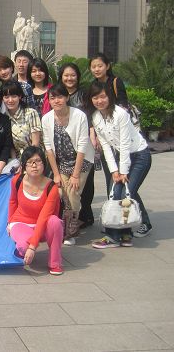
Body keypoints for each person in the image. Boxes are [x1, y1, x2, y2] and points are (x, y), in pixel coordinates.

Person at [88, 82, 153, 246]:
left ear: (110, 96)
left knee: (125, 193)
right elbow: (105, 146)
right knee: (115, 192)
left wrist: (123, 171)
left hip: (140, 156)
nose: (99, 101)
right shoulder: (95, 117)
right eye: (95, 97)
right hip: (121, 158)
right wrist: (114, 171)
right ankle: (124, 234)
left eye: (102, 96)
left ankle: (113, 236)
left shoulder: (120, 114)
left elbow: (124, 145)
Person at [42, 84, 95, 246]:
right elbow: (48, 148)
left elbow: (83, 145)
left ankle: (71, 231)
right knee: (61, 192)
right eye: (53, 98)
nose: (56, 101)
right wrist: (56, 174)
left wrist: (76, 175)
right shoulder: (47, 118)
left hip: (82, 160)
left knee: (72, 192)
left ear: (66, 97)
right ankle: (63, 225)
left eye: (60, 97)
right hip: (63, 162)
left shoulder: (79, 115)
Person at [8, 146, 63, 276]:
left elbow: (44, 216)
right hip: (21, 222)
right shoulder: (17, 180)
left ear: (44, 164)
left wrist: (33, 247)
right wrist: (9, 223)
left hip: (43, 224)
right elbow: (12, 202)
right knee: (23, 247)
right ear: (24, 165)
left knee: (55, 222)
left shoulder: (52, 187)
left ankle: (55, 263)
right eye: (30, 162)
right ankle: (22, 250)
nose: (34, 165)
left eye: (38, 161)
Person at [89, 53, 131, 196]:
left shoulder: (115, 82)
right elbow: (93, 112)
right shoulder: (93, 85)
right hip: (104, 136)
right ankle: (112, 204)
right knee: (111, 174)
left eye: (100, 66)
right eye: (93, 67)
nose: (97, 69)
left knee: (126, 179)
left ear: (107, 66)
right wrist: (97, 134)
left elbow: (124, 105)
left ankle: (130, 206)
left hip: (119, 133)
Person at [59, 62, 95, 228]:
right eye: (66, 75)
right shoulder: (58, 94)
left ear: (78, 77)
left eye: (73, 75)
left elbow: (91, 114)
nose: (69, 78)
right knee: (69, 187)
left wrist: (92, 132)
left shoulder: (84, 94)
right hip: (64, 146)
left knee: (86, 183)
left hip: (83, 142)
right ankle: (72, 217)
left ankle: (85, 216)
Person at [1, 81, 41, 159]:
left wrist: (27, 161)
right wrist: (15, 162)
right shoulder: (4, 118)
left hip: (35, 157)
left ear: (20, 96)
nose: (10, 100)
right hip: (18, 159)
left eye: (14, 96)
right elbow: (10, 146)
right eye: (6, 97)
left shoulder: (31, 113)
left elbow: (35, 144)